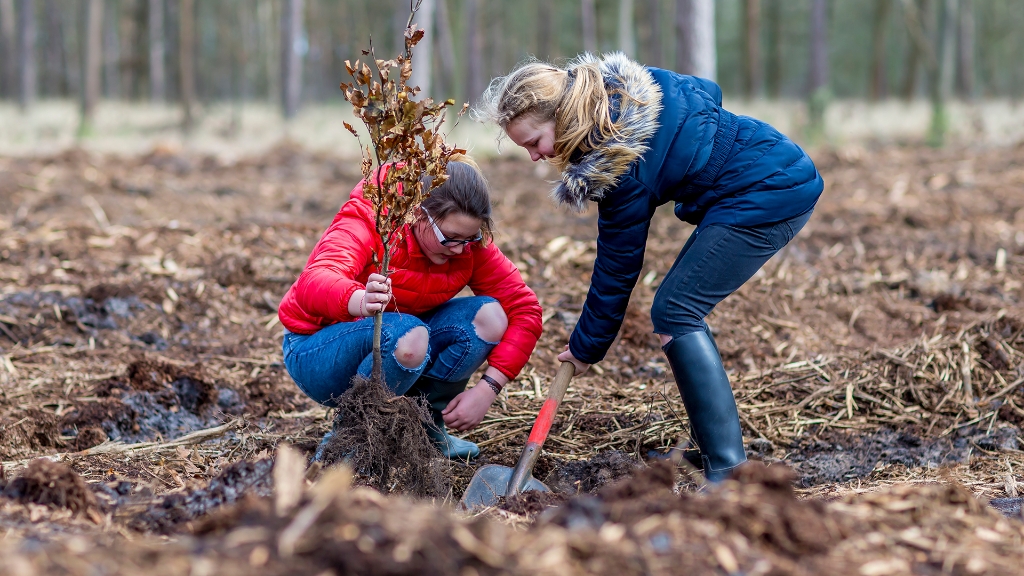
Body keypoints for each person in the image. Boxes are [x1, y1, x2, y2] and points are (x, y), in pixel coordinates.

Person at [476, 53, 823, 482]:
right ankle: (710, 450)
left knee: (676, 311)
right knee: (677, 308)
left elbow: (618, 267)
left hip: (769, 194)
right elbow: (706, 90)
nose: (534, 157)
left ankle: (728, 467)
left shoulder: (620, 166)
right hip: (776, 163)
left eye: (535, 142)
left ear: (564, 115)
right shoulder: (639, 89)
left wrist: (587, 346)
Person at [277, 157, 543, 460]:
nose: (459, 249)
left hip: (405, 338)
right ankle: (350, 438)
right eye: (450, 238)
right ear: (418, 213)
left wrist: (489, 388)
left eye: (471, 238)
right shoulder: (371, 219)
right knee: (410, 336)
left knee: (489, 317)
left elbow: (525, 310)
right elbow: (313, 280)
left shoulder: (467, 246)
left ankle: (425, 429)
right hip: (317, 351)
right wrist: (358, 299)